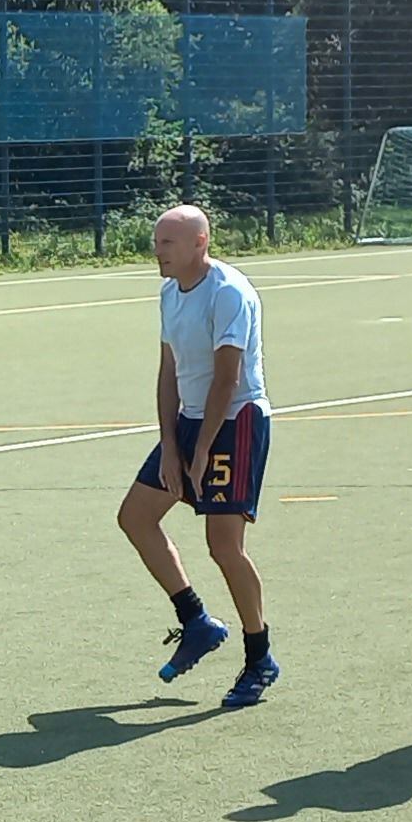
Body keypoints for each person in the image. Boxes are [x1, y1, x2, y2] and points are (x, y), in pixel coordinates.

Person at [119, 205, 275, 707]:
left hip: (235, 421)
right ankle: (196, 621)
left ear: (200, 242)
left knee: (223, 543)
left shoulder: (229, 293)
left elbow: (227, 378)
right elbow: (169, 371)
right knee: (135, 517)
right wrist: (171, 443)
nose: (157, 250)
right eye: (157, 240)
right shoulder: (170, 292)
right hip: (189, 420)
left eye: (167, 242)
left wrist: (203, 448)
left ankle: (259, 657)